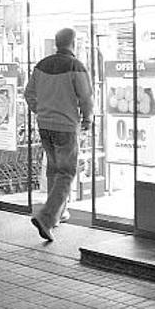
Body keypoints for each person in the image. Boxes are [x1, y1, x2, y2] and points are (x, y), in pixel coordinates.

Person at [24, 28, 93, 242]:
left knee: (54, 168)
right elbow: (86, 98)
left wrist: (41, 110)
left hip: (44, 126)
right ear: (73, 43)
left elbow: (28, 94)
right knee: (67, 172)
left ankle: (59, 212)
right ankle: (46, 217)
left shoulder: (41, 65)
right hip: (65, 126)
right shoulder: (76, 66)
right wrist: (87, 119)